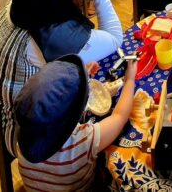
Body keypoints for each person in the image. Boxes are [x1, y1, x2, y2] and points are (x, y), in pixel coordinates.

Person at [0, 0, 123, 155]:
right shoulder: (56, 34)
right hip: (29, 135)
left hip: (11, 105)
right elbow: (115, 38)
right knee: (118, 107)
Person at [14, 55, 137, 192]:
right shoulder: (81, 142)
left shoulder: (25, 137)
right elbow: (120, 117)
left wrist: (81, 80)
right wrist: (130, 80)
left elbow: (58, 110)